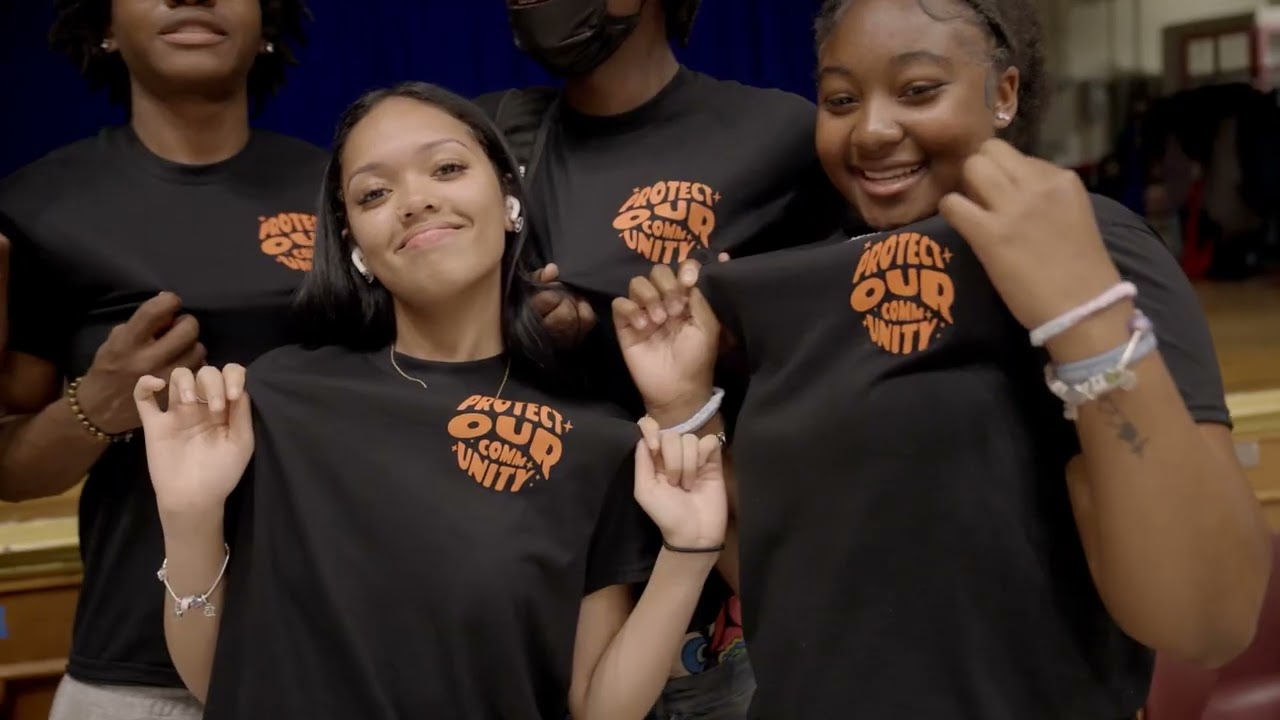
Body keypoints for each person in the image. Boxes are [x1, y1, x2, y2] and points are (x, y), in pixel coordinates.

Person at [615, 0, 1275, 717]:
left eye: (918, 89)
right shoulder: (791, 288)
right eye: (840, 99)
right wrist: (684, 406)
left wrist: (1085, 315)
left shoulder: (1089, 244)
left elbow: (1209, 619)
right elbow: (795, 584)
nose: (870, 129)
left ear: (1004, 94)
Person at [131, 81, 728, 719]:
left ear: (508, 201)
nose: (414, 201)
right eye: (374, 193)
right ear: (354, 243)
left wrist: (689, 554)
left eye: (446, 168)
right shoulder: (277, 403)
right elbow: (216, 680)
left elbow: (597, 710)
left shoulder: (594, 438)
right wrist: (189, 517)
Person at [477, 3, 850, 715]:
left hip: (726, 598)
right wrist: (530, 332)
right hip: (544, 583)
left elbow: (837, 341)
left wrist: (733, 338)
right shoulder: (492, 137)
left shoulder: (781, 137)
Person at [0, 1, 323, 717]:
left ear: (267, 25)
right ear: (104, 27)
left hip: (340, 656)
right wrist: (95, 406)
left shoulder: (343, 192)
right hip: (134, 675)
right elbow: (8, 465)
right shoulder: (36, 208)